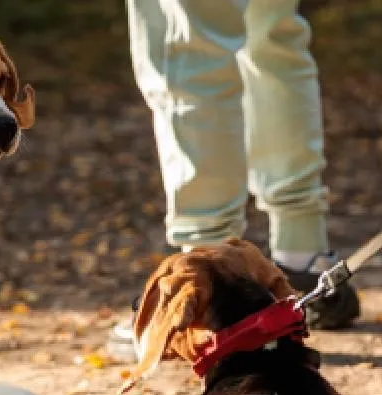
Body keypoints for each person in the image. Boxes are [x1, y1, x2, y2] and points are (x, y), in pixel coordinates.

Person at [109, 0, 360, 359]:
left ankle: (207, 277)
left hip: (213, 298)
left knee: (191, 47)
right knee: (273, 36)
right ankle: (304, 255)